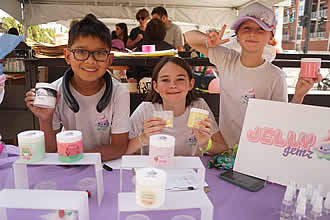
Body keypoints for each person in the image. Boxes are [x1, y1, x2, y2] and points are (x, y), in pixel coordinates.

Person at [184, 2, 322, 148]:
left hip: (259, 152)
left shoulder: (276, 76)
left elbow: (283, 119)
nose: (252, 34)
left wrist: (299, 95)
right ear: (237, 35)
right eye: (246, 28)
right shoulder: (226, 59)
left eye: (261, 29)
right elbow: (189, 36)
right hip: (225, 150)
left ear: (270, 37)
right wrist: (208, 40)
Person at [24, 14, 130, 161]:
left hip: (104, 163)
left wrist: (79, 158)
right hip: (69, 163)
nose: (90, 61)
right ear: (68, 56)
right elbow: (51, 150)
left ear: (109, 60)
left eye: (99, 53)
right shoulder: (55, 92)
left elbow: (119, 147)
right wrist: (44, 119)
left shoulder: (120, 93)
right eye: (81, 52)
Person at [127, 57, 227, 156]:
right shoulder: (146, 110)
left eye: (180, 79)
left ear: (191, 84)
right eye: (165, 80)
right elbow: (123, 150)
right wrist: (144, 137)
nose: (173, 85)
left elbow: (223, 149)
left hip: (190, 170)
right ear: (155, 86)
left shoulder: (199, 107)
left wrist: (206, 144)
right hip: (155, 170)